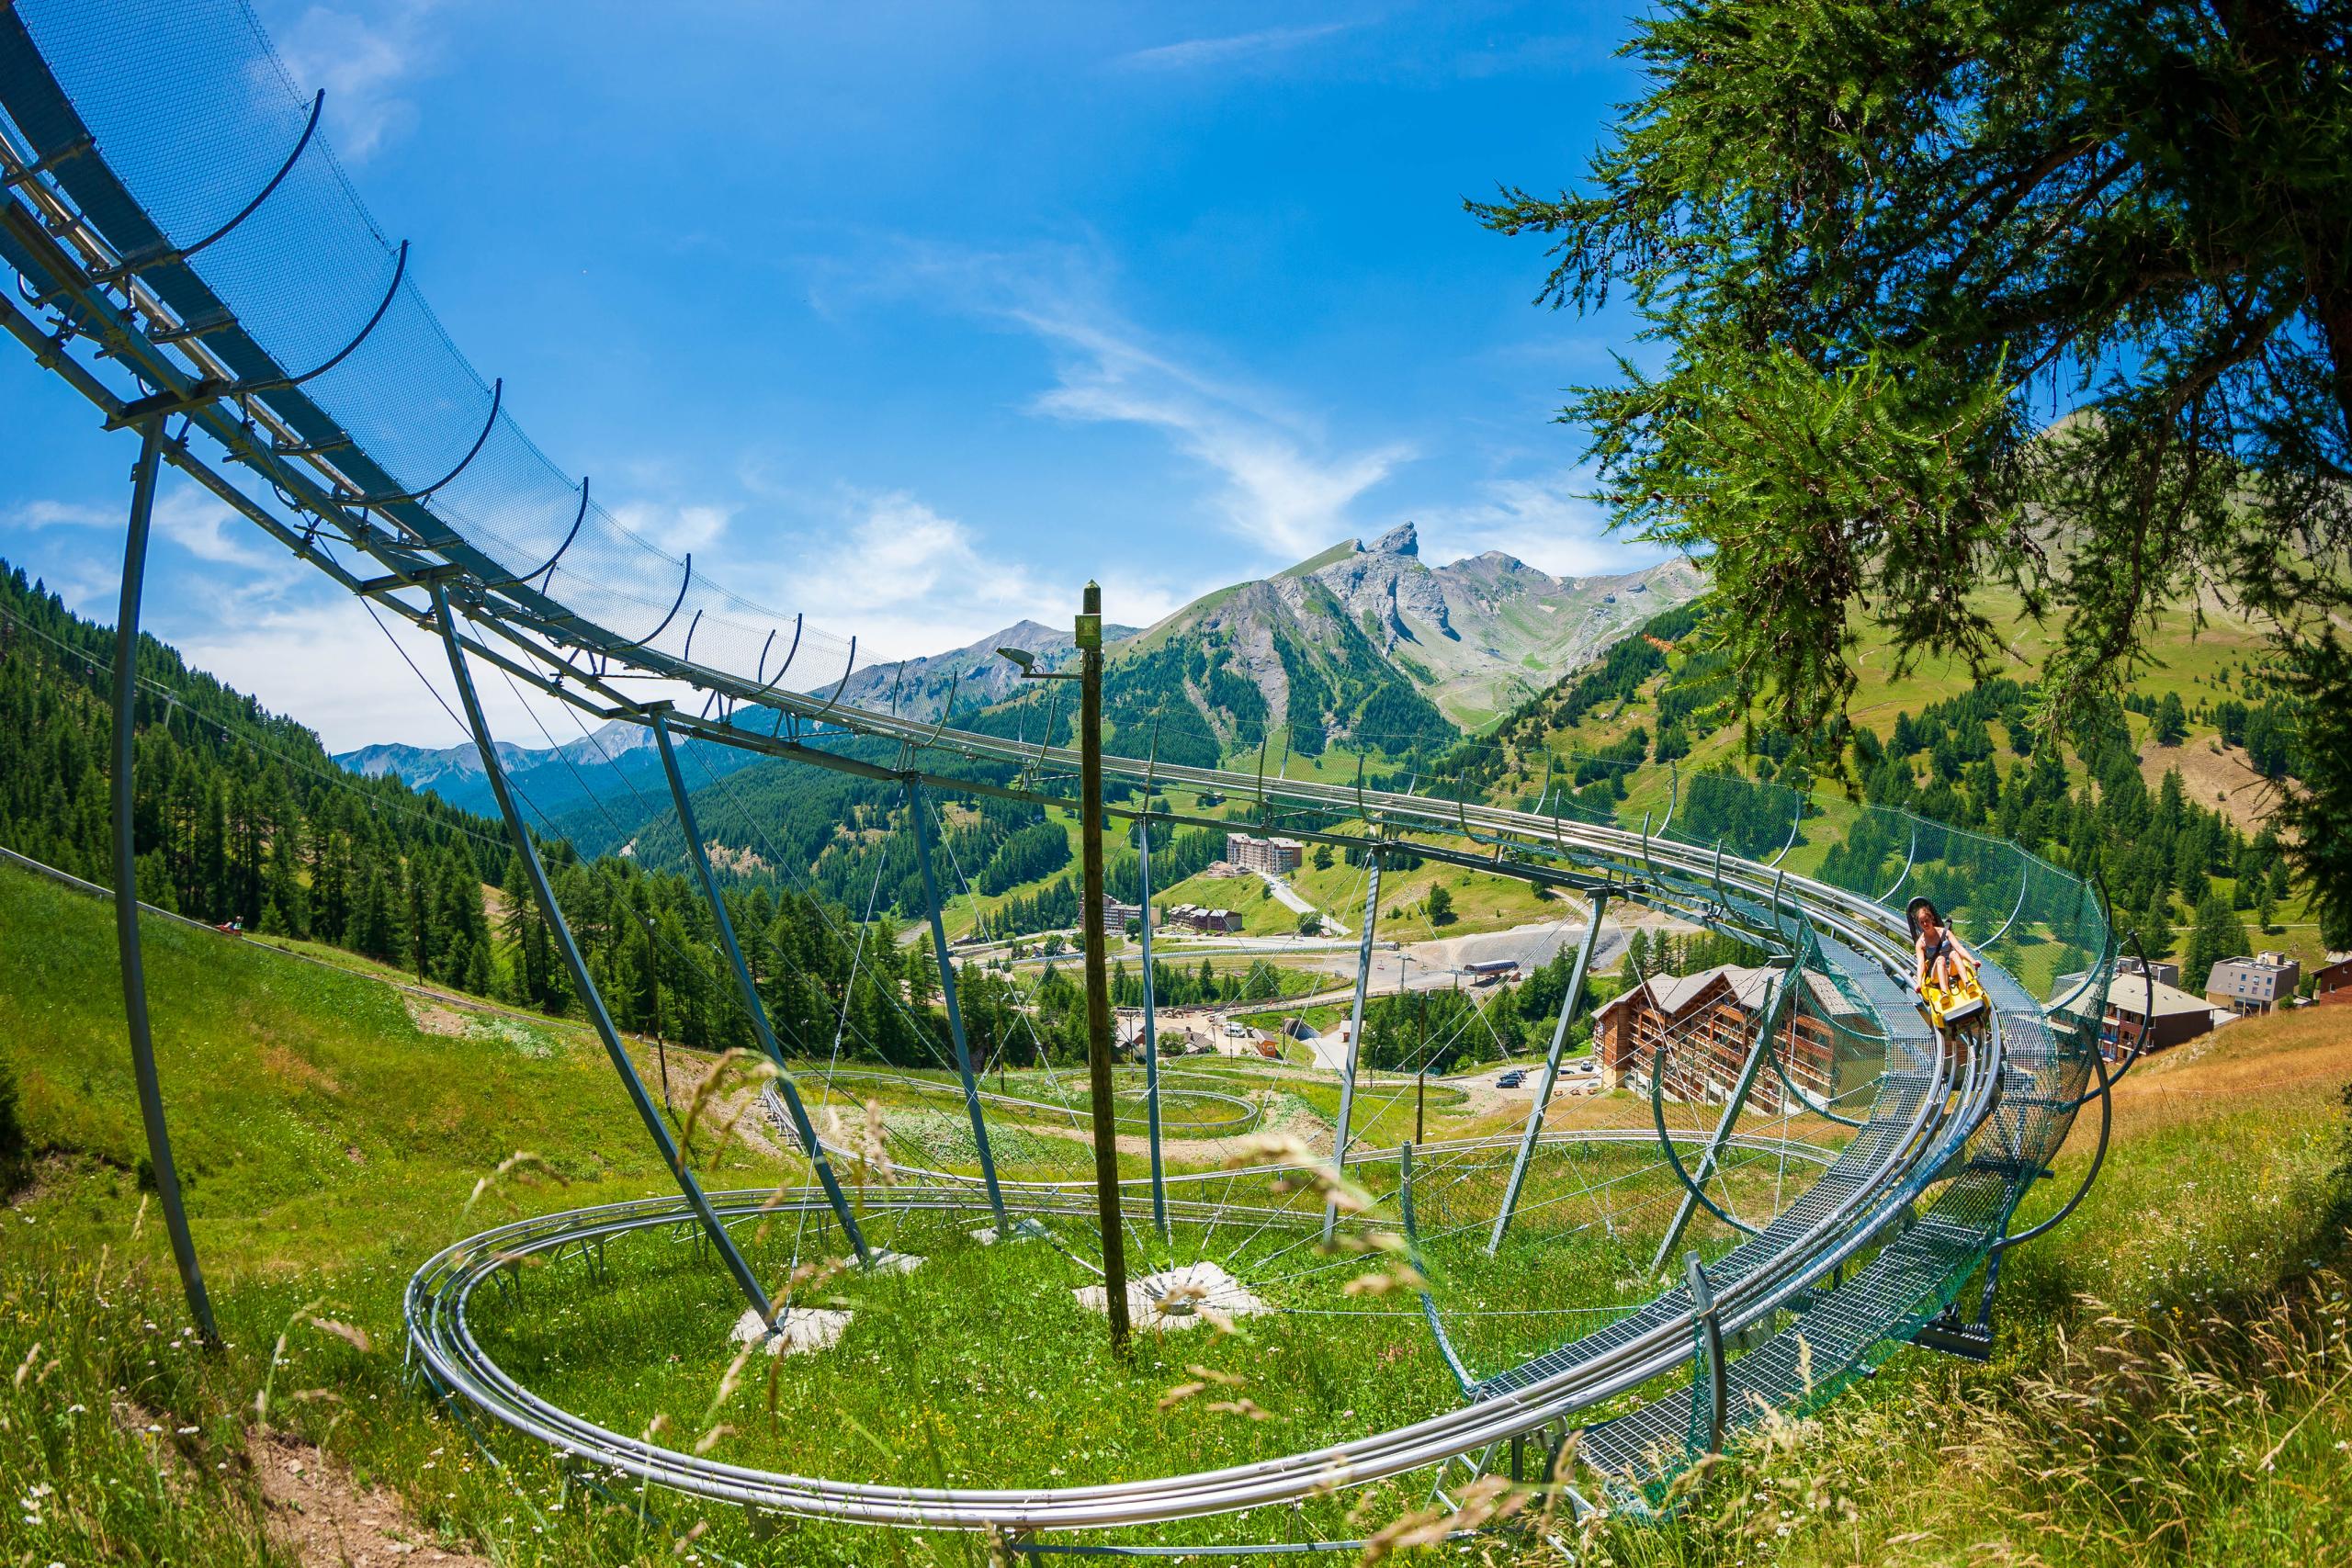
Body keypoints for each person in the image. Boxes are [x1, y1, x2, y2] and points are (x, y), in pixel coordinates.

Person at [1905, 897, 1972, 995]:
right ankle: (1945, 992)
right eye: (1922, 922)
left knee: (1954, 953)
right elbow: (1921, 963)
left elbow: (1958, 947)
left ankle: (1967, 983)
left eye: (1926, 920)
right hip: (1936, 972)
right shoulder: (1921, 943)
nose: (1925, 924)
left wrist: (1972, 961)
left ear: (1931, 919)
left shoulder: (1945, 932)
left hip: (1951, 969)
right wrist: (1919, 982)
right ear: (1919, 924)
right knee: (1940, 959)